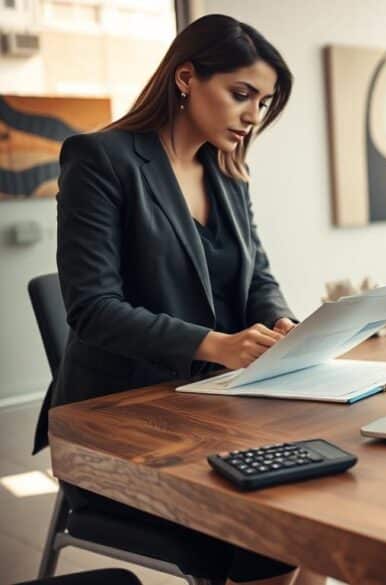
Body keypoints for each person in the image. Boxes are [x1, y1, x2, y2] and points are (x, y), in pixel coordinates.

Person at [33, 14, 314, 585]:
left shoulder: (228, 171)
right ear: (186, 77)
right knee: (278, 525)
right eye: (242, 95)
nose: (253, 116)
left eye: (263, 103)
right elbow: (91, 307)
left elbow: (256, 274)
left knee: (317, 499)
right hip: (122, 422)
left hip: (212, 408)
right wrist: (218, 345)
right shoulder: (100, 158)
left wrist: (282, 324)